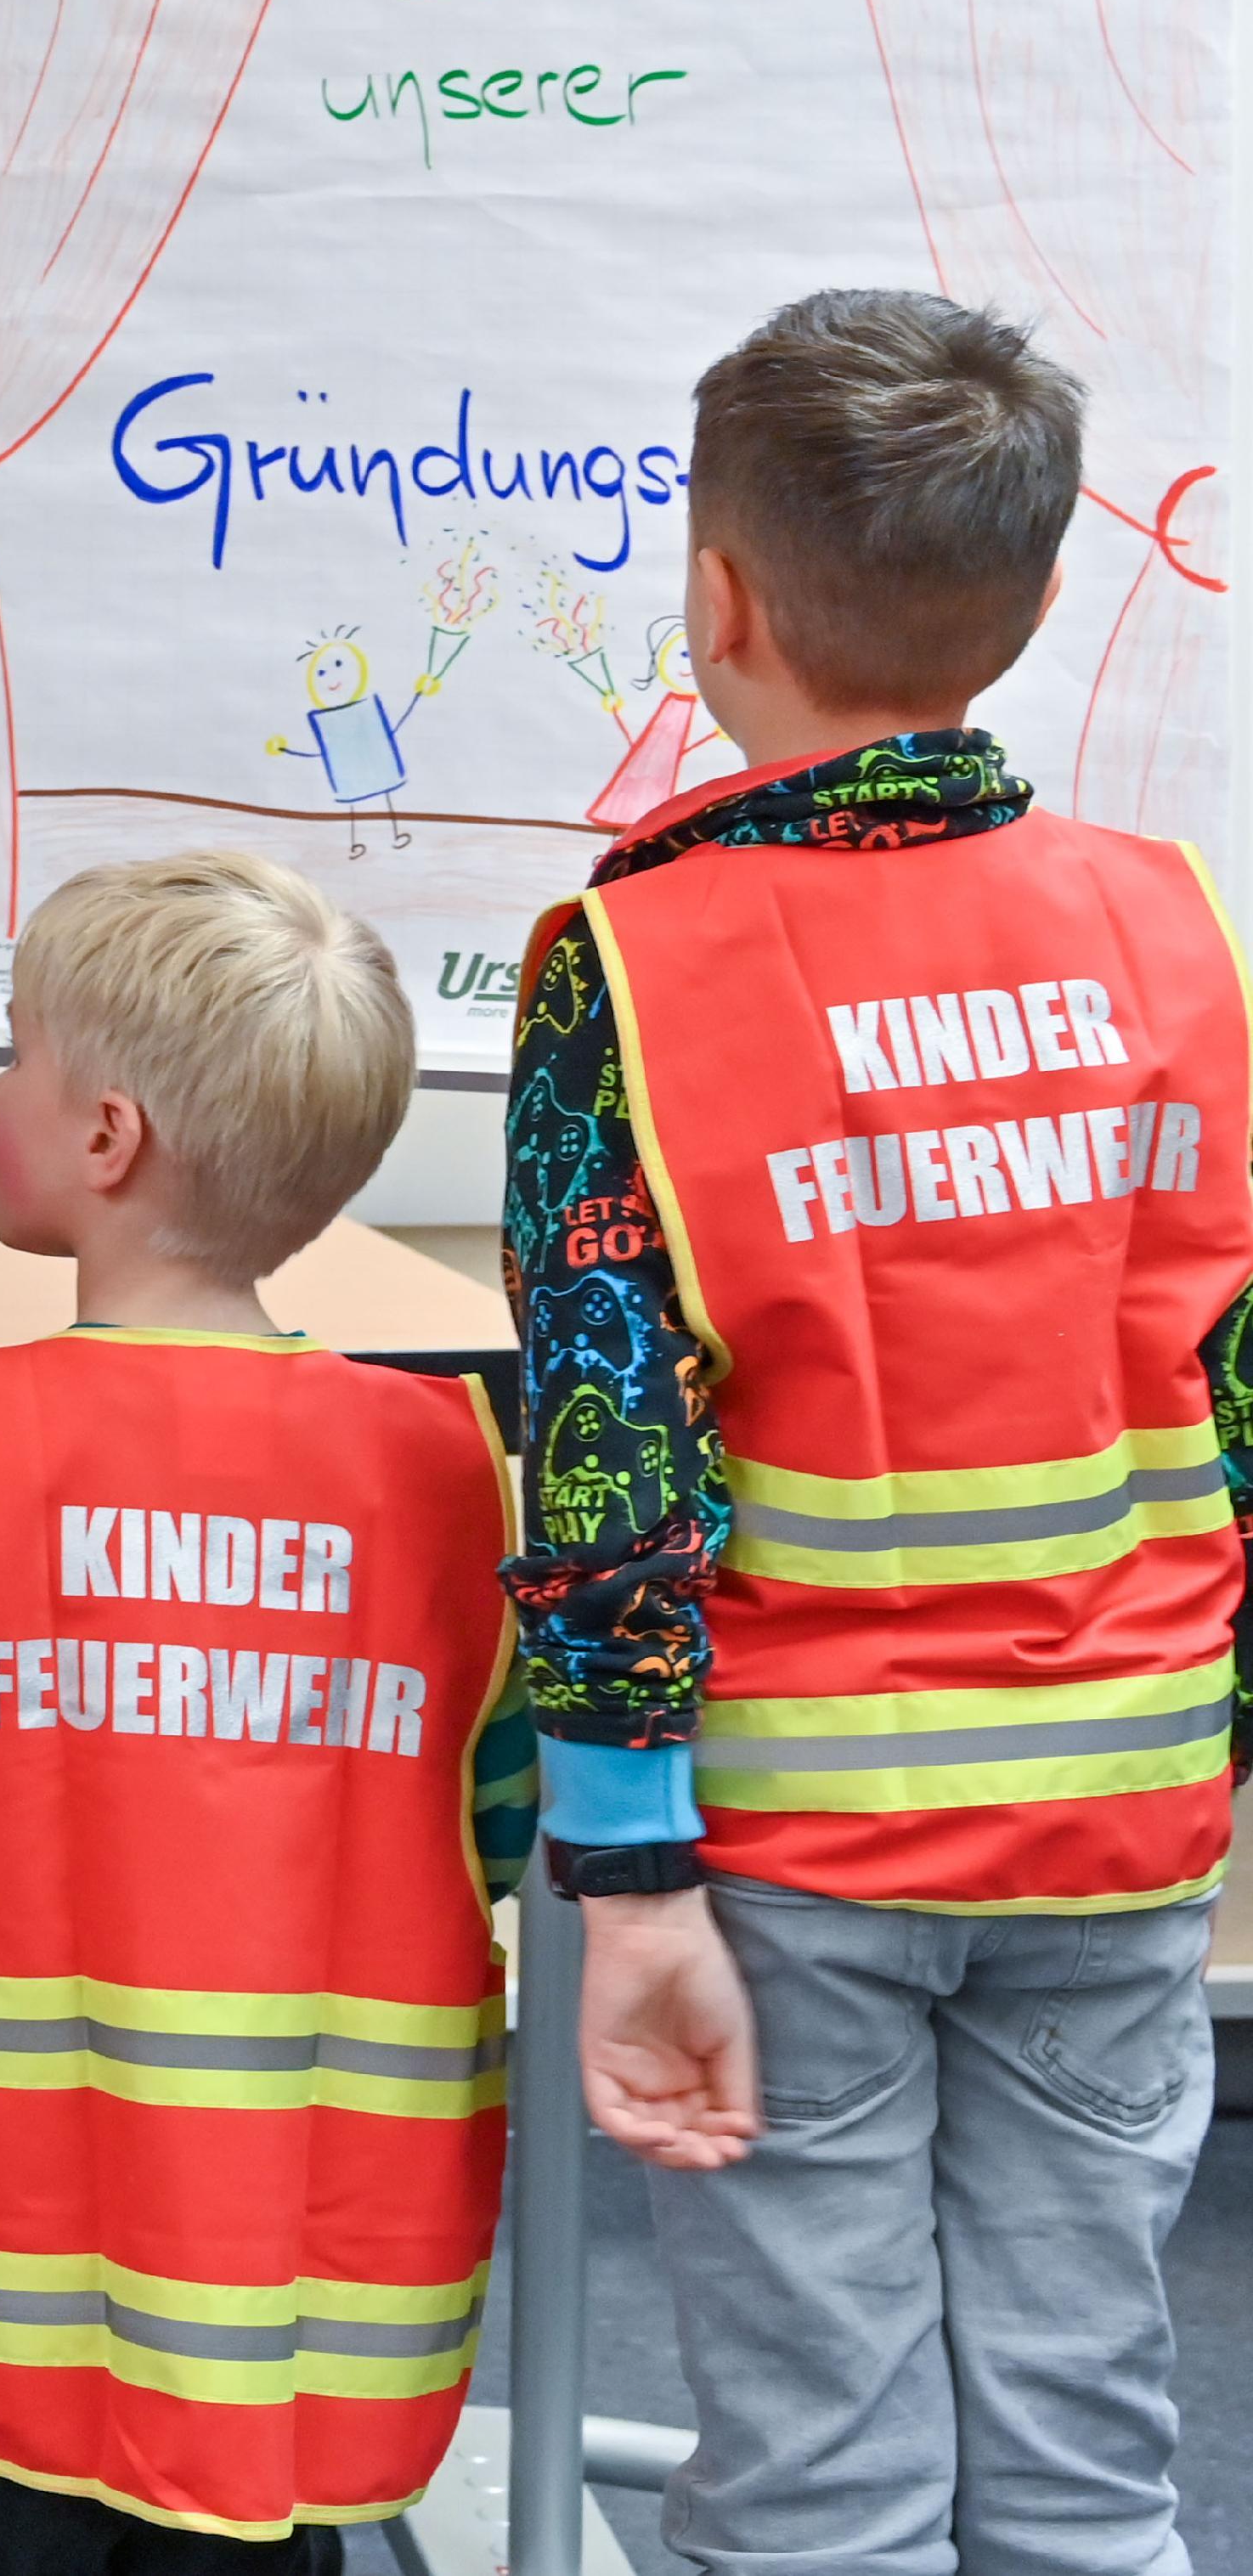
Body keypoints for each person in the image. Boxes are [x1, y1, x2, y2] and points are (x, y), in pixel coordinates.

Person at [504, 290, 1253, 2574]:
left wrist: (623, 1869)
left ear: (717, 599)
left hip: (800, 1848)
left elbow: (613, 1456)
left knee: (822, 2481)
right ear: (1034, 609)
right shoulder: (1167, 923)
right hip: (1125, 1817)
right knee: (1086, 2454)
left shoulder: (630, 964)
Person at [0, 849, 535, 2568]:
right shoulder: (444, 1477)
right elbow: (495, 1823)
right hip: (301, 2303)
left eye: (10, 1052)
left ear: (101, 1139)